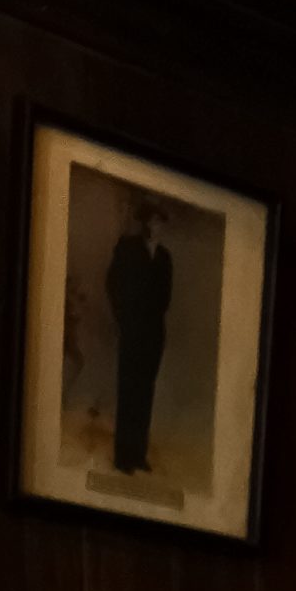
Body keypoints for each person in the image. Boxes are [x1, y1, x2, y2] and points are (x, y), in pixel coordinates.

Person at [105, 191, 172, 475]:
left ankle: (139, 454)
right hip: (132, 330)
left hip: (154, 333)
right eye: (152, 220)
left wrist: (151, 319)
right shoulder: (128, 247)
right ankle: (123, 457)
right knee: (128, 390)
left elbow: (166, 298)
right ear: (145, 222)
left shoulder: (165, 257)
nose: (156, 225)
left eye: (160, 221)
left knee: (146, 392)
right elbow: (113, 283)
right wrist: (124, 318)